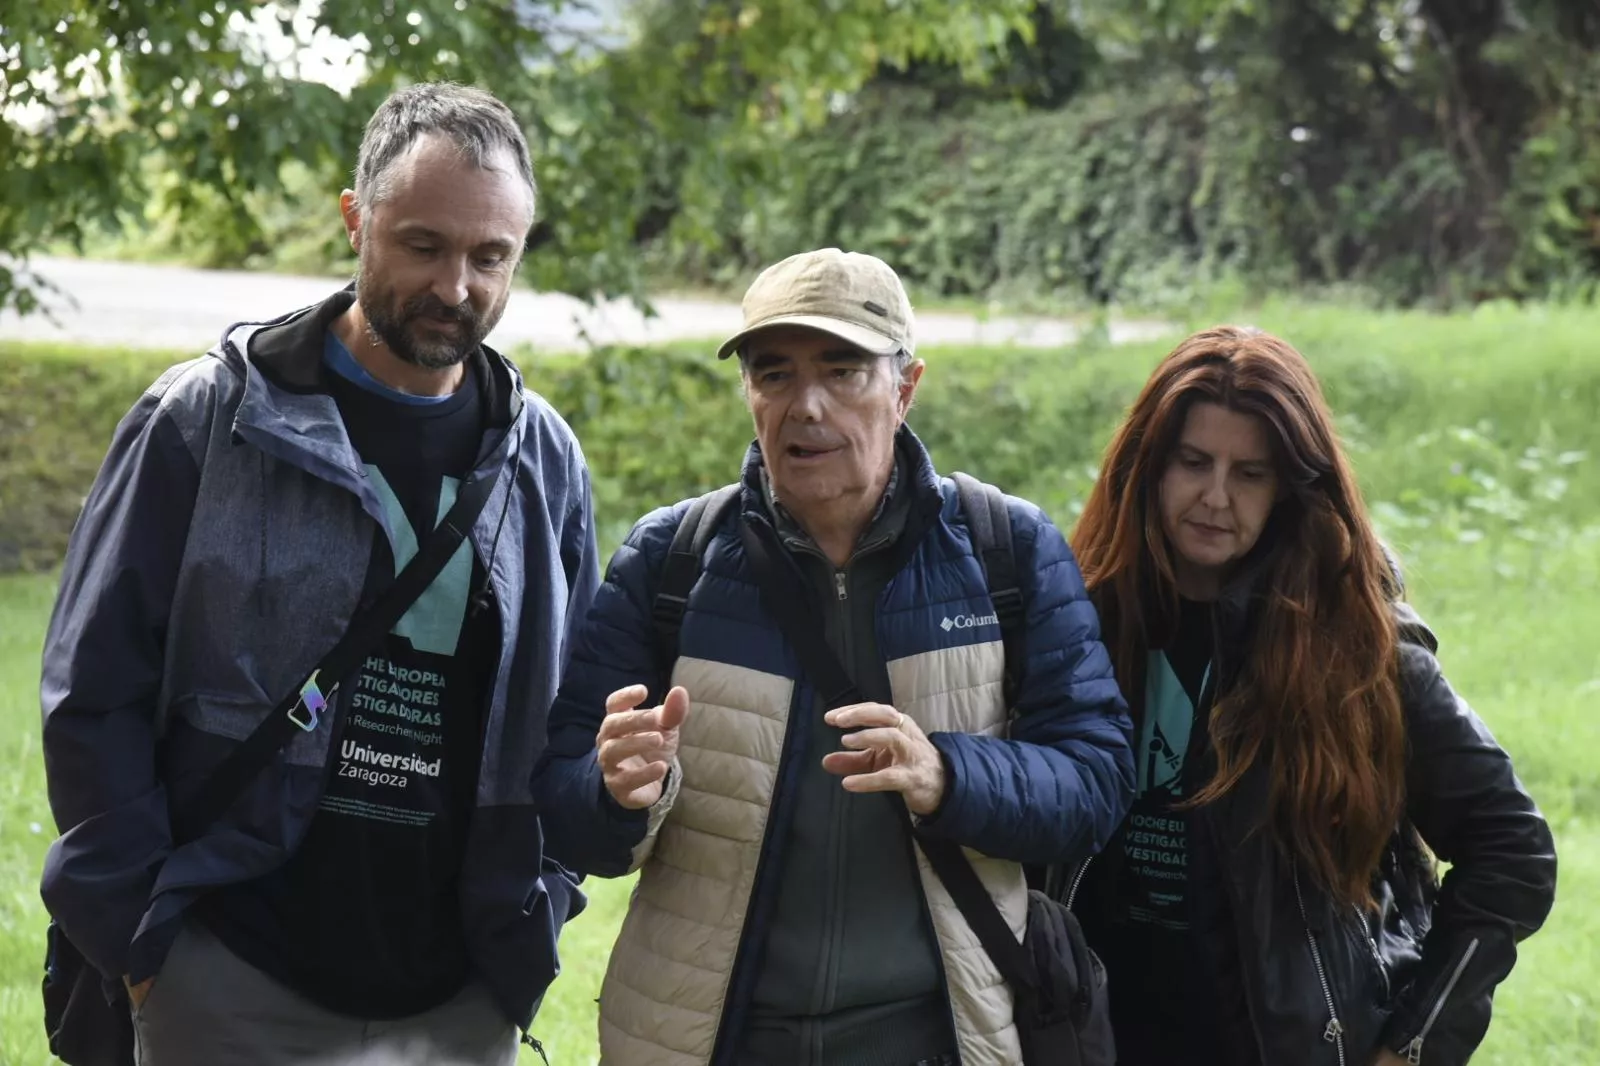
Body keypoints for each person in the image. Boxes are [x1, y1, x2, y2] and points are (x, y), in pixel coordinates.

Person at [39, 83, 599, 1065]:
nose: (456, 286)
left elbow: (566, 720)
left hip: (459, 996)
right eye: (423, 244)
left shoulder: (542, 460)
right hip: (229, 976)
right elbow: (93, 693)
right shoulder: (207, 422)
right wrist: (144, 940)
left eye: (488, 256)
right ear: (355, 219)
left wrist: (538, 905)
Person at [533, 247, 1136, 1066]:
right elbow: (568, 813)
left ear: (906, 387)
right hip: (714, 1044)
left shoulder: (1008, 552)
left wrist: (948, 777)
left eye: (844, 370)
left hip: (941, 1040)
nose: (805, 405)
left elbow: (1097, 779)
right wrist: (613, 791)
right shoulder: (672, 559)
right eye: (773, 374)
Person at [1060, 325, 1558, 1066]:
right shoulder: (1080, 622)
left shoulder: (1358, 652)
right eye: (1194, 462)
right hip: (1107, 1038)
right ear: (1148, 467)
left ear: (1292, 487)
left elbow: (1513, 851)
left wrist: (1413, 1044)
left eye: (1250, 473)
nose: (1216, 497)